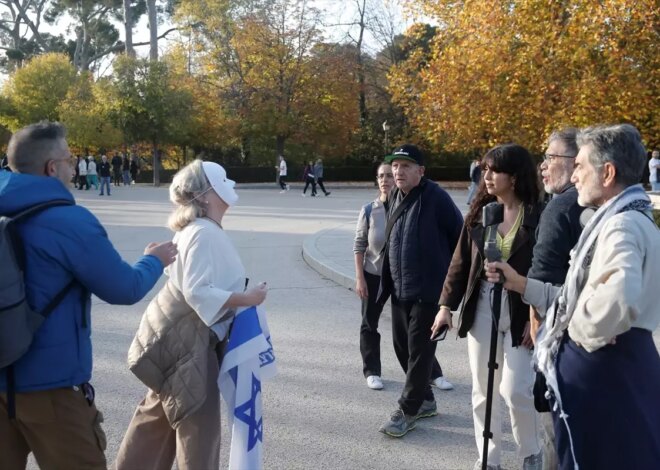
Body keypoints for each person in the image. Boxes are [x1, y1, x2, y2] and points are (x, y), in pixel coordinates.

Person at [0, 122, 177, 470]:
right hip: (52, 390)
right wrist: (153, 260)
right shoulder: (70, 221)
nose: (75, 165)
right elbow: (124, 288)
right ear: (52, 168)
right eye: (70, 158)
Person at [487, 124, 660, 470]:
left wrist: (569, 341)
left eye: (580, 166)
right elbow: (578, 296)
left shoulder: (620, 226)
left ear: (607, 172)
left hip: (603, 375)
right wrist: (523, 285)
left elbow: (615, 302)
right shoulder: (635, 218)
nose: (575, 176)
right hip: (624, 366)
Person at [115, 159, 268, 470]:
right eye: (224, 180)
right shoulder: (202, 232)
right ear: (206, 195)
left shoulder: (197, 229)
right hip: (189, 342)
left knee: (158, 416)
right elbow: (198, 291)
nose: (232, 185)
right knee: (197, 425)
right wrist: (247, 297)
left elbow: (187, 278)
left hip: (175, 338)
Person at [432, 143, 543, 470]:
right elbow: (459, 264)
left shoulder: (538, 215)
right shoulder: (481, 213)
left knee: (517, 389)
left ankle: (529, 453)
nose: (488, 176)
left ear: (516, 175)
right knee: (484, 390)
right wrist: (445, 307)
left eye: (496, 170)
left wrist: (536, 315)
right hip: (482, 306)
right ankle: (488, 458)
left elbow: (547, 269)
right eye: (485, 170)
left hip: (522, 310)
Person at [377, 144, 463, 437]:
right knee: (403, 347)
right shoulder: (395, 196)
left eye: (405, 166)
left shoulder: (436, 198)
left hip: (429, 292)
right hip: (400, 288)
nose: (398, 172)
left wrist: (448, 294)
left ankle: (408, 409)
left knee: (420, 354)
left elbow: (460, 239)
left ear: (421, 171)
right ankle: (425, 399)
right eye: (395, 166)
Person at [354, 162, 453, 391]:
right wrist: (360, 278)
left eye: (390, 175)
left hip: (401, 276)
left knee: (414, 330)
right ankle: (372, 371)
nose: (386, 179)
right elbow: (360, 245)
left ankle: (432, 374)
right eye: (381, 176)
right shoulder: (370, 210)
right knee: (370, 323)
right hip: (376, 274)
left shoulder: (407, 205)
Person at [528, 128, 585, 470]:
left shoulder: (560, 207)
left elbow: (540, 281)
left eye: (550, 158)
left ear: (576, 162)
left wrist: (536, 329)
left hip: (560, 340)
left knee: (556, 436)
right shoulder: (604, 207)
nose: (543, 166)